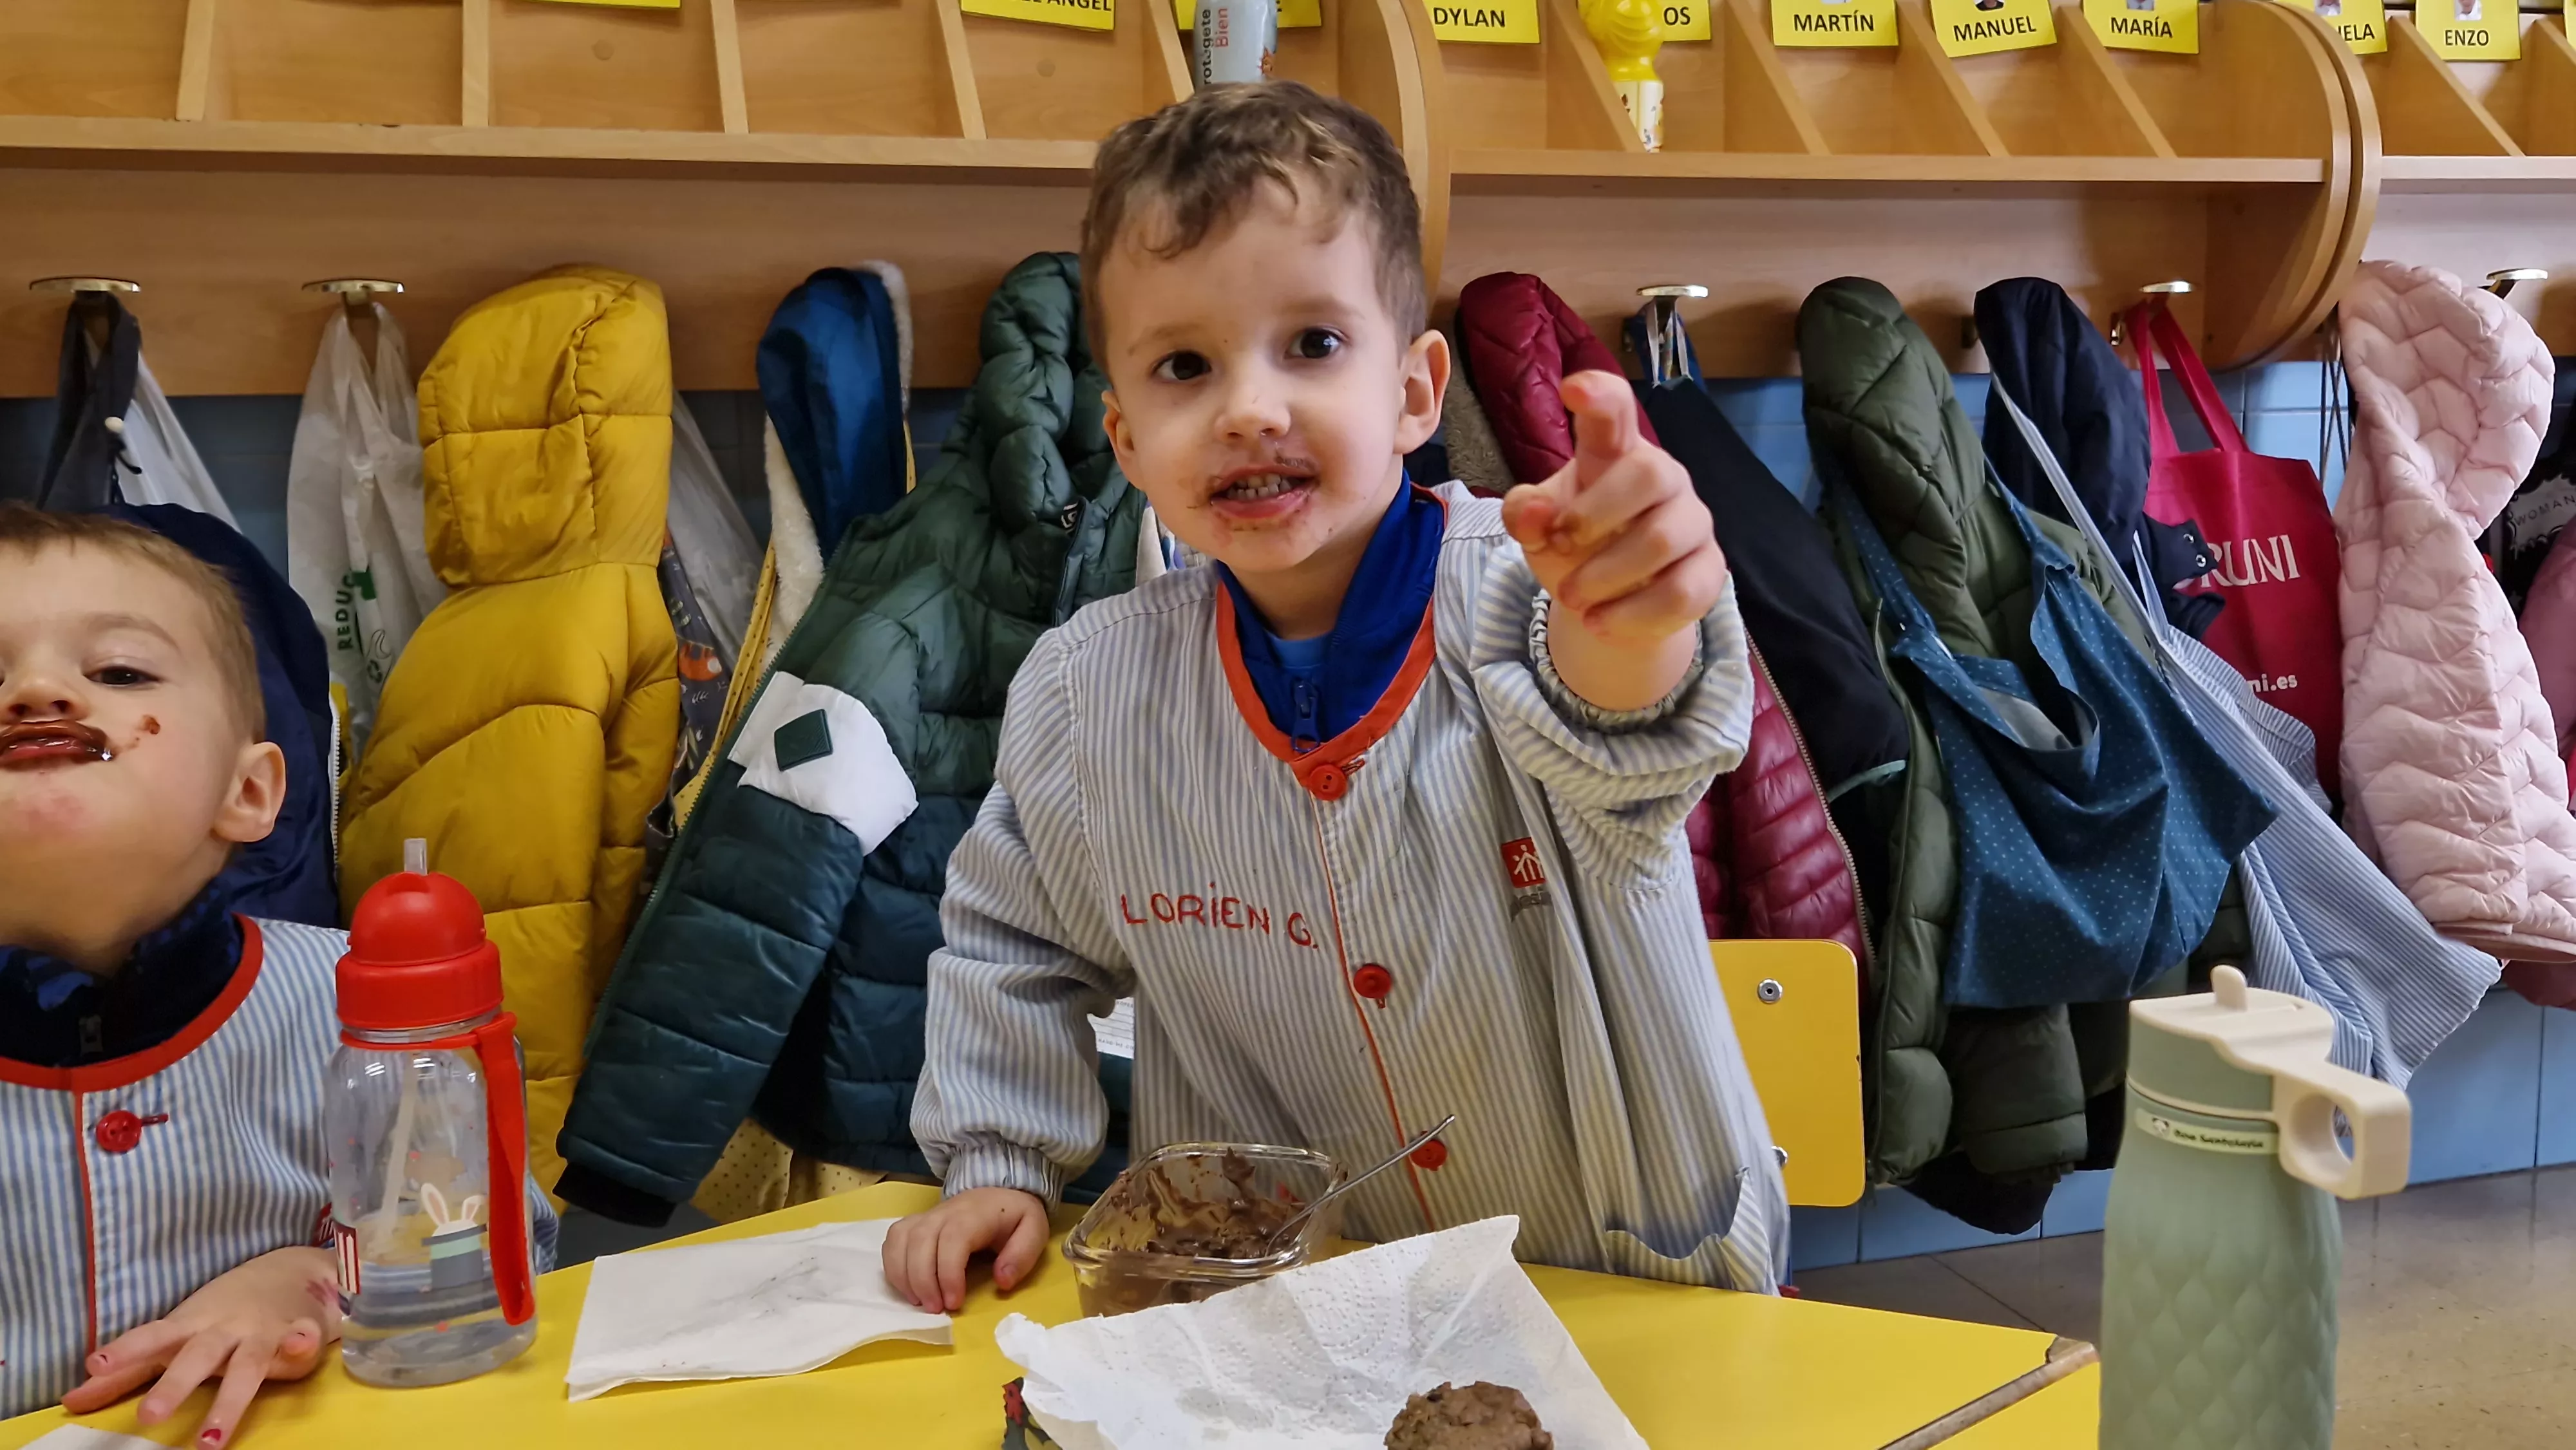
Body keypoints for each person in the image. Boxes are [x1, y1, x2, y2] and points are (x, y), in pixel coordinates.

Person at [884, 80, 1786, 1313]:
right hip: (1281, 1316)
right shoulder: (1091, 696)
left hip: (1621, 1290)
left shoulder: (1533, 598)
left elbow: (1618, 718)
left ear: (1417, 393)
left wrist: (1633, 615)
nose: (1251, 407)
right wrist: (1000, 1160)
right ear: (1129, 440)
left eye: (1313, 344)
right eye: (1185, 366)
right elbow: (1016, 951)